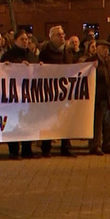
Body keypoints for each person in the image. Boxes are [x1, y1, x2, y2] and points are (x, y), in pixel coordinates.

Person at [37, 25, 75, 158]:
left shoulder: (68, 51)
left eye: (63, 34)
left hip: (66, 91)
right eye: (59, 34)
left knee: (66, 119)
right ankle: (46, 147)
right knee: (49, 120)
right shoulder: (45, 52)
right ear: (51, 37)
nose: (62, 36)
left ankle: (66, 146)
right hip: (51, 92)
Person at [1, 30, 37, 160]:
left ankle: (27, 149)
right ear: (15, 40)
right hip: (13, 94)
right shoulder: (8, 55)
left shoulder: (31, 55)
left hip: (29, 94)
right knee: (14, 122)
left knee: (27, 121)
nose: (25, 41)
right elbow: (3, 71)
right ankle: (13, 150)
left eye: (26, 39)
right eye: (22, 39)